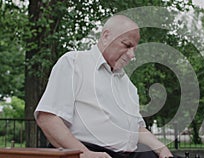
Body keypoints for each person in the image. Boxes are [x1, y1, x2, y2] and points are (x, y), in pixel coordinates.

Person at [34, 15, 174, 158]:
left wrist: (162, 149)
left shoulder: (129, 85)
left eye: (134, 49)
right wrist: (85, 154)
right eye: (127, 45)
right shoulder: (74, 63)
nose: (132, 55)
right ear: (106, 36)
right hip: (89, 151)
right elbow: (48, 118)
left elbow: (137, 129)